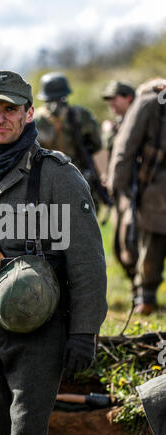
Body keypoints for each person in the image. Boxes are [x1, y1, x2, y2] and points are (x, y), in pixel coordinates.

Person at [0, 70, 107, 435]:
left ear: (28, 113)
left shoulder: (59, 176)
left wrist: (84, 333)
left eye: (9, 108)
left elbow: (88, 261)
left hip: (41, 326)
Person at [107, 77, 166, 315]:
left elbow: (125, 146)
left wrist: (115, 185)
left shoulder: (147, 102)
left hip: (153, 193)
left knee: (146, 246)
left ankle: (145, 300)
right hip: (155, 191)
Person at [34, 71, 102, 211]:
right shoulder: (81, 114)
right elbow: (96, 144)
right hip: (78, 177)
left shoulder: (33, 120)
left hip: (44, 182)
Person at [101, 80, 137, 283]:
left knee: (130, 241)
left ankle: (141, 289)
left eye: (115, 98)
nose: (111, 103)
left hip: (136, 193)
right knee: (118, 244)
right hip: (121, 191)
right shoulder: (118, 124)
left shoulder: (141, 123)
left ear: (128, 98)